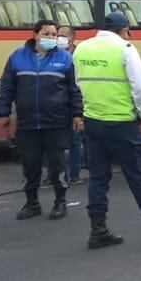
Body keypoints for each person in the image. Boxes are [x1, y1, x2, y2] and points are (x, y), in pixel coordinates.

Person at [73, 12, 141, 249]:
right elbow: (140, 87)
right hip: (122, 123)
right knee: (139, 175)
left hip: (94, 122)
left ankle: (98, 231)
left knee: (98, 177)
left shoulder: (82, 49)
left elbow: (78, 82)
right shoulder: (125, 49)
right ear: (124, 30)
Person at [0, 19, 83, 221]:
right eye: (47, 34)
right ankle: (32, 203)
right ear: (35, 35)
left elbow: (74, 90)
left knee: (57, 164)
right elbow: (7, 87)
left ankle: (60, 202)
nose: (52, 38)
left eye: (54, 34)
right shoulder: (18, 57)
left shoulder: (65, 59)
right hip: (28, 123)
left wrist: (77, 114)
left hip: (56, 122)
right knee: (30, 164)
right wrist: (3, 112)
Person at [57, 24, 83, 184]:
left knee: (75, 142)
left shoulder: (80, 54)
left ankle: (74, 174)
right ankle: (54, 174)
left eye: (62, 35)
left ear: (72, 37)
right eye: (57, 35)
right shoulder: (53, 54)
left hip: (75, 103)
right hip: (58, 105)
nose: (58, 38)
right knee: (55, 143)